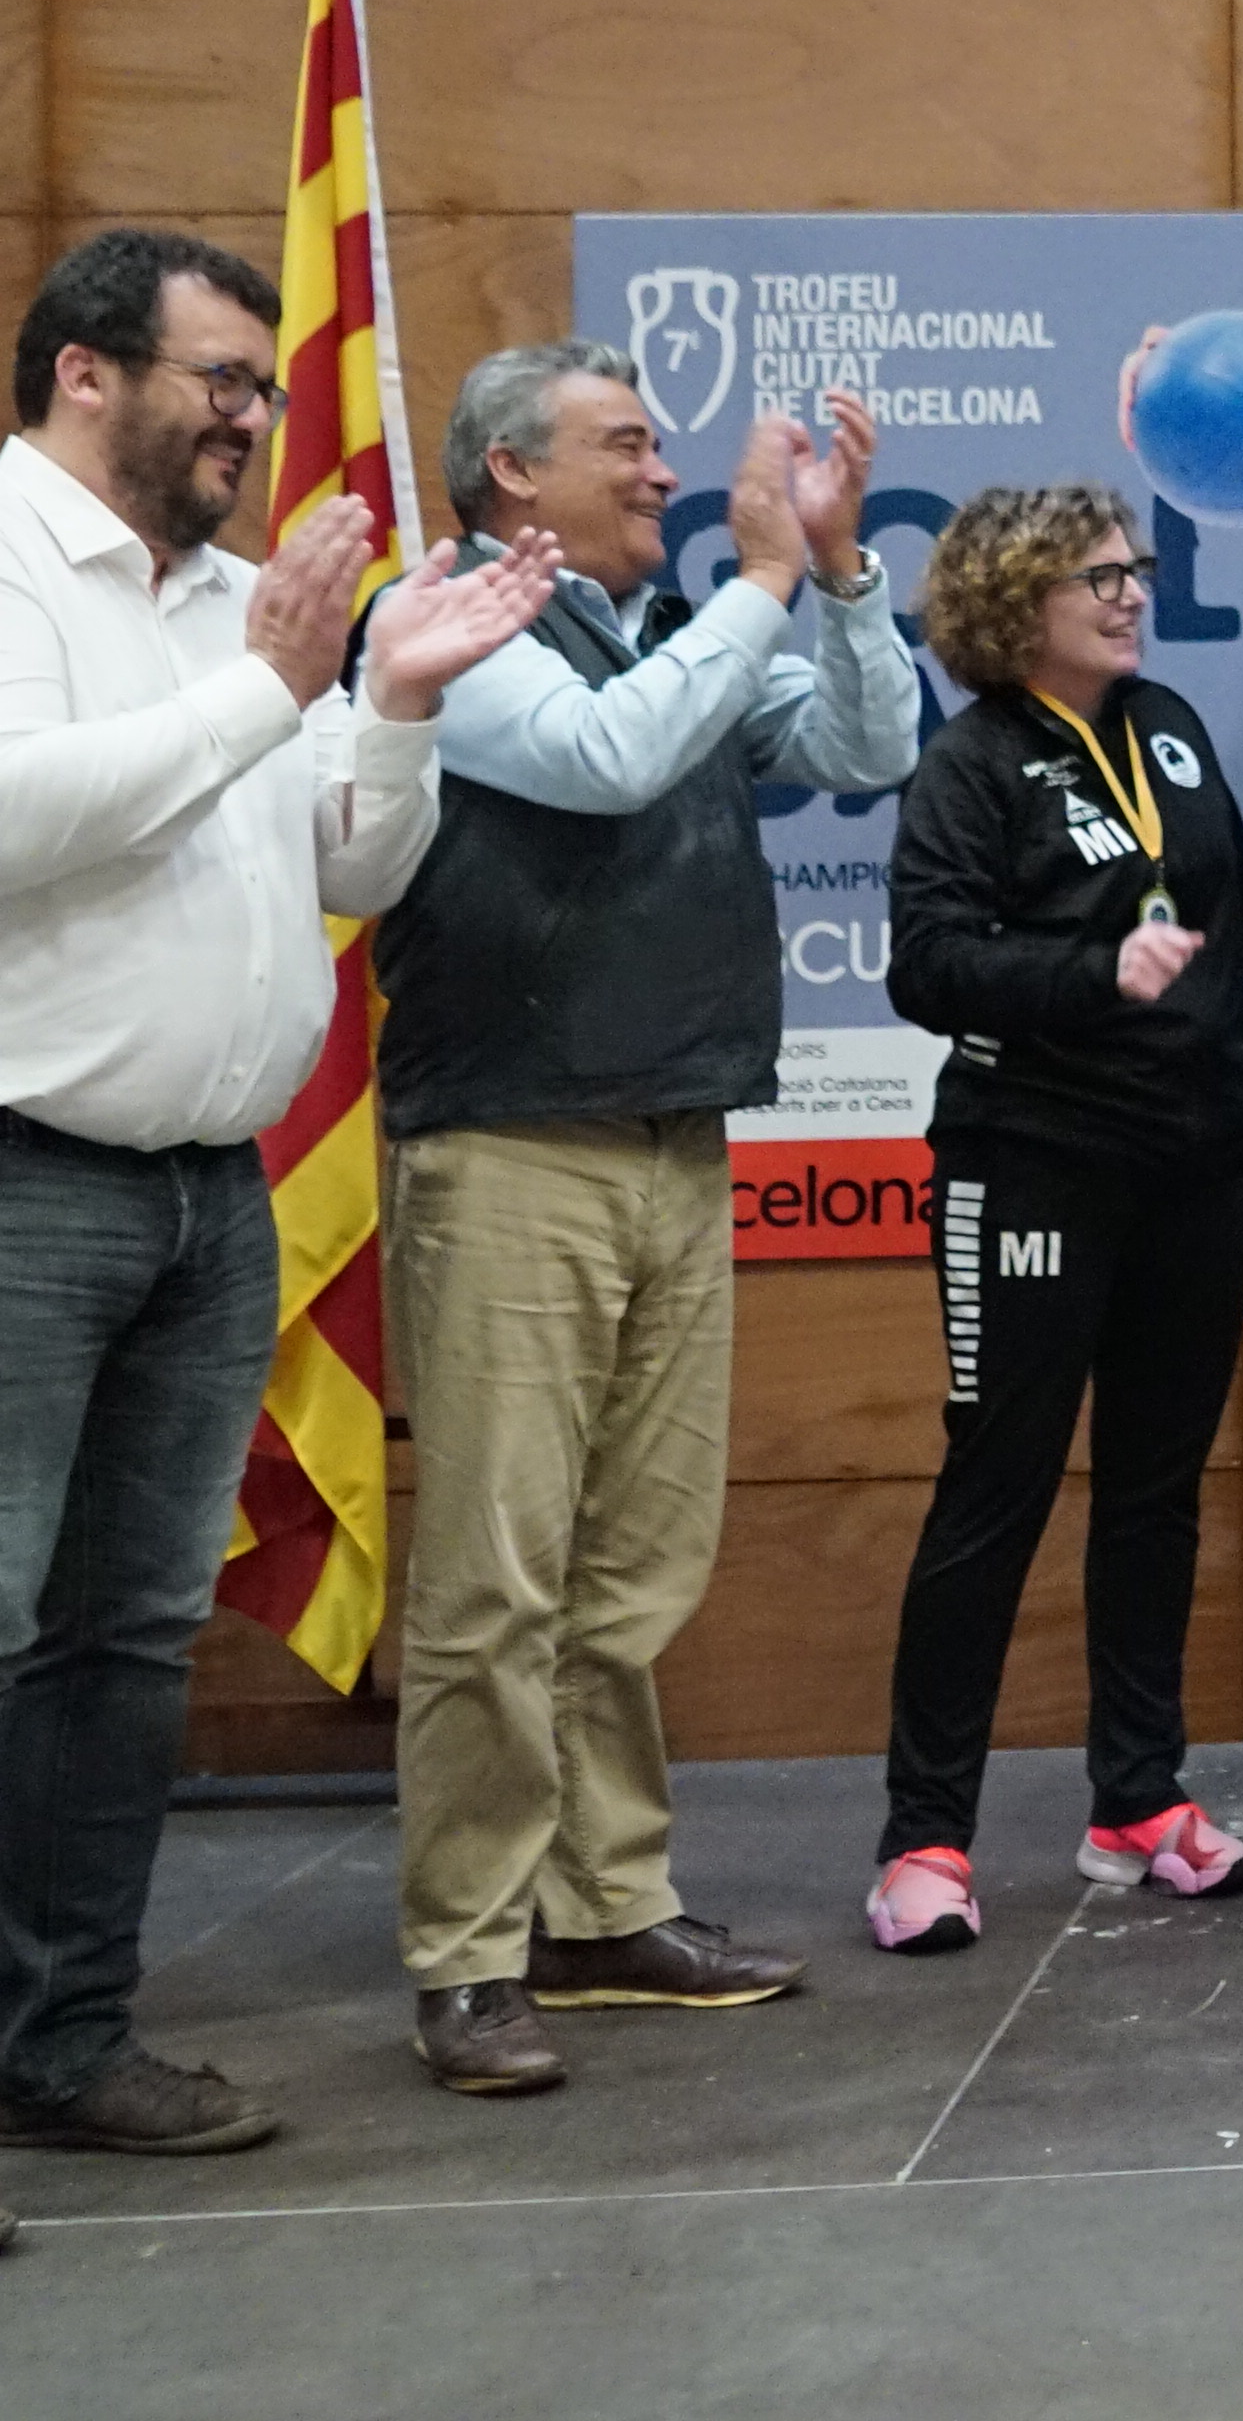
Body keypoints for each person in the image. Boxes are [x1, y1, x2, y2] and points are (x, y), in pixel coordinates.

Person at [0, 226, 560, 2274]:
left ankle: (59, 2043)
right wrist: (276, 679)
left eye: (261, 386)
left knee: (115, 1651)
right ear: (84, 374)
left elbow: (342, 862)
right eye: (217, 378)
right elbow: (6, 811)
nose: (252, 417)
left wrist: (388, 706)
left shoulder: (226, 602)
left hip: (193, 1197)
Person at [369, 345, 922, 2094]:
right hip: (512, 1149)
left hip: (676, 1136)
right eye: (624, 445)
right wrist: (761, 580)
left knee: (631, 1566)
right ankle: (469, 1947)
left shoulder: (662, 624)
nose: (665, 469)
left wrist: (833, 571)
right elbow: (610, 766)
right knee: (496, 1576)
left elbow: (867, 743)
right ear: (509, 474)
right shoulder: (449, 616)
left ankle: (606, 1901)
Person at [859, 482, 1243, 1955]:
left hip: (1199, 1161)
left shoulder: (1171, 726)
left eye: (1133, 570)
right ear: (1016, 605)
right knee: (994, 1491)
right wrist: (1090, 980)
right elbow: (925, 966)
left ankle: (1138, 1798)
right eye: (1095, 578)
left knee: (1156, 1490)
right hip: (1034, 1162)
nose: (1130, 593)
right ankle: (923, 1839)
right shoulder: (976, 760)